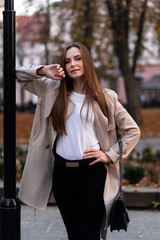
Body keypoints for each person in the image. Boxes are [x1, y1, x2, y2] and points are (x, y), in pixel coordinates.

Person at [16, 42, 140, 240]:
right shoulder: (51, 90)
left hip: (93, 174)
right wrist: (44, 70)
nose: (72, 64)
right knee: (73, 235)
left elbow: (132, 131)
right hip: (63, 175)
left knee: (89, 235)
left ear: (87, 62)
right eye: (67, 61)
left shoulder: (105, 97)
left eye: (77, 58)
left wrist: (110, 155)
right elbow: (18, 74)